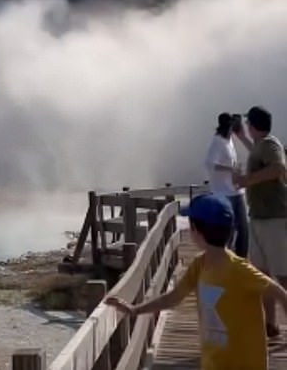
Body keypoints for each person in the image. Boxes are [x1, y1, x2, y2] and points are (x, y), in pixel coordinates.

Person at [106, 194, 287, 369]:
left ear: (196, 230)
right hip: (214, 363)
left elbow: (281, 294)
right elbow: (174, 297)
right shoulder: (199, 265)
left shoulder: (240, 270)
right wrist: (136, 310)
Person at [233, 105, 287, 340]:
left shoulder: (271, 145)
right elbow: (258, 154)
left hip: (274, 219)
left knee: (283, 275)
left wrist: (247, 180)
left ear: (253, 125)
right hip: (259, 219)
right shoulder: (260, 146)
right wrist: (242, 137)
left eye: (247, 124)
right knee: (261, 275)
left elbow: (278, 168)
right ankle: (270, 325)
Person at [204, 112, 249, 257]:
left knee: (243, 228)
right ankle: (223, 260)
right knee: (227, 230)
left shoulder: (229, 140)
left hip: (236, 191)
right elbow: (209, 163)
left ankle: (241, 260)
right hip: (223, 193)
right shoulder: (218, 141)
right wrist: (230, 169)